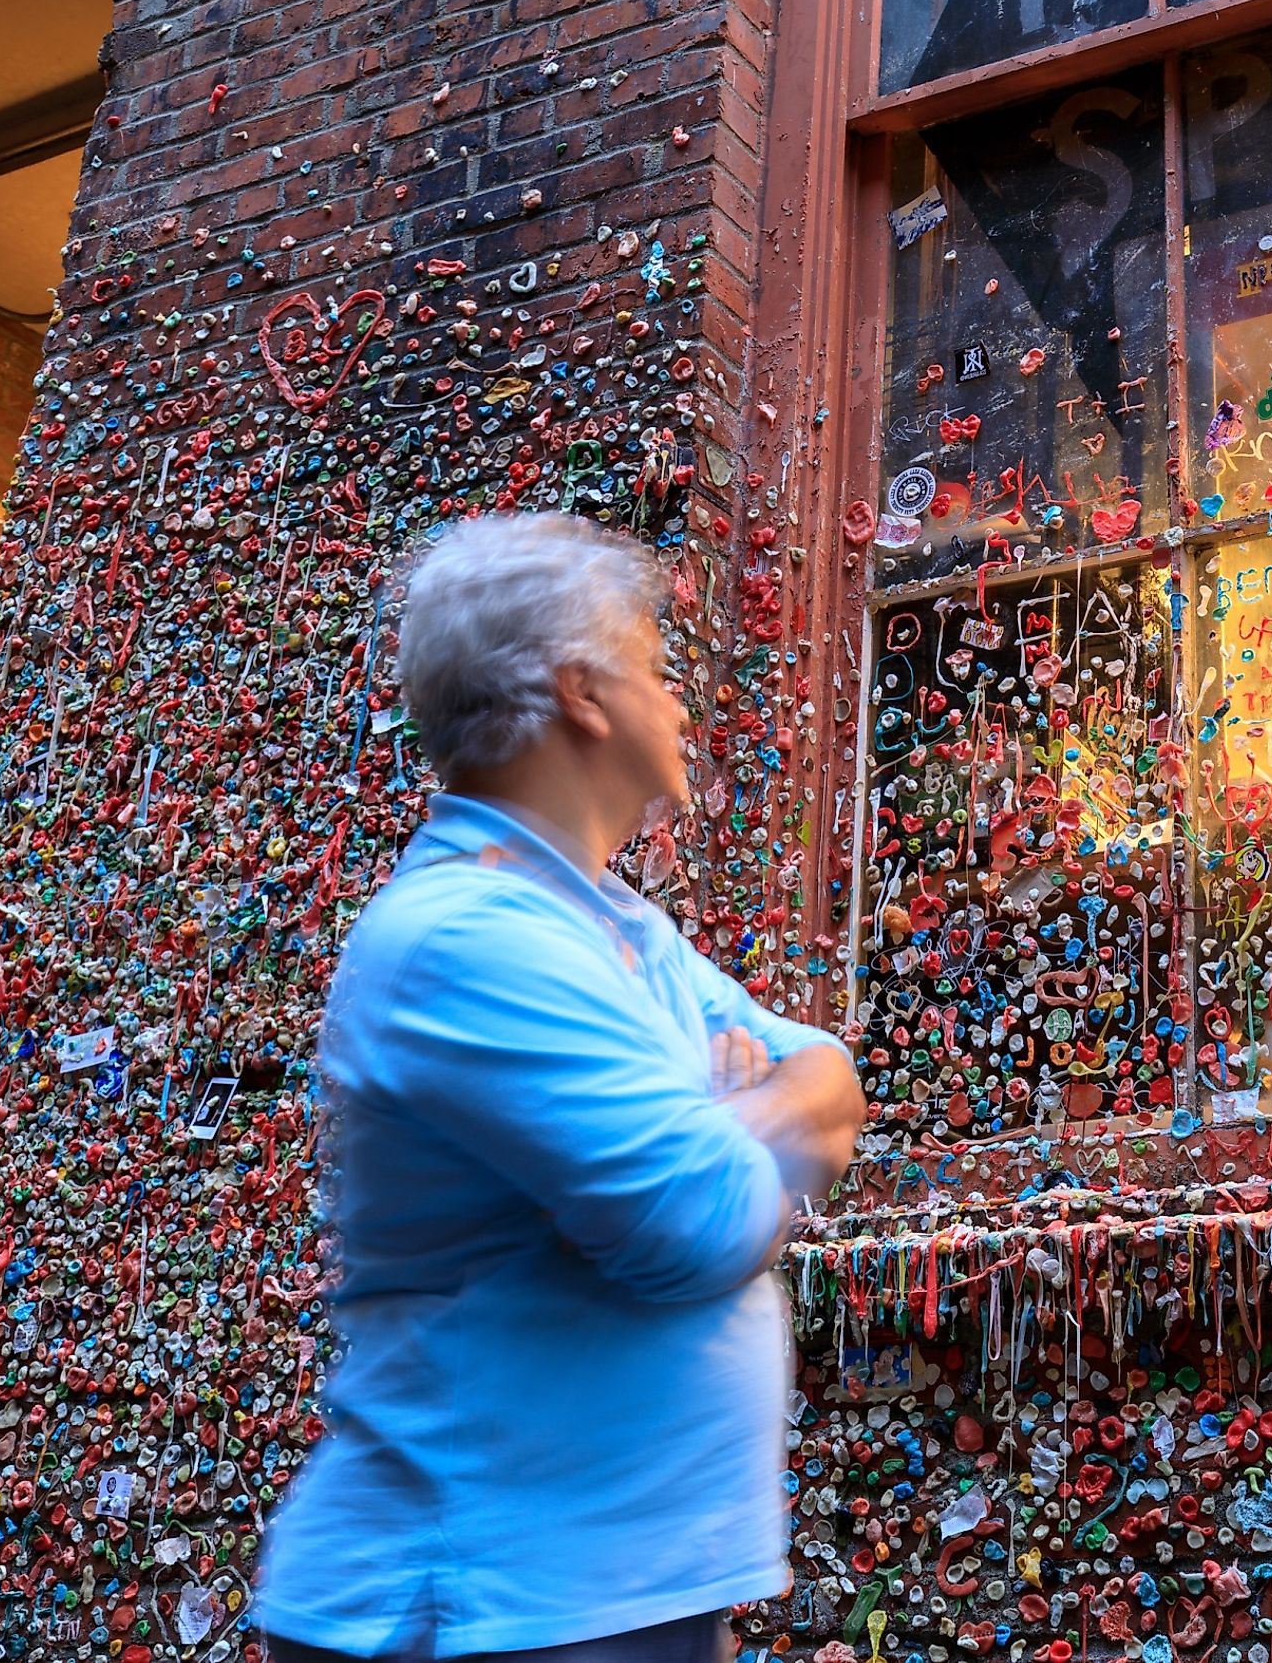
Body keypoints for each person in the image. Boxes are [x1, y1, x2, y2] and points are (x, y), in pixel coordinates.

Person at [258, 514, 866, 1663]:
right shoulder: (465, 938)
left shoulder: (624, 930)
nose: (681, 702)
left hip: (618, 1592)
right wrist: (748, 1130)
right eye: (656, 666)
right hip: (487, 1605)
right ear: (584, 693)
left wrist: (743, 1114)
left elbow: (829, 1068)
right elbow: (698, 1221)